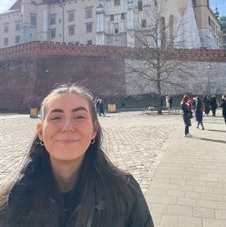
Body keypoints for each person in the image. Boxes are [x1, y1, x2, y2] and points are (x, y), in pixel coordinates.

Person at [0, 84, 153, 227]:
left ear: (94, 129)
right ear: (40, 132)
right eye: (56, 117)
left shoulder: (125, 191)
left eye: (79, 117)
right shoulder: (9, 199)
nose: (67, 128)